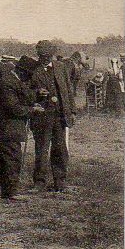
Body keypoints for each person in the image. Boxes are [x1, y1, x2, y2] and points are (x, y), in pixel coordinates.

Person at [0, 56, 41, 200]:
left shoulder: (15, 80)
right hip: (7, 126)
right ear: (23, 72)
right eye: (29, 75)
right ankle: (10, 192)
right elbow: (14, 108)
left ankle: (10, 190)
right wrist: (32, 110)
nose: (30, 79)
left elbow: (25, 95)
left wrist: (36, 96)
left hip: (10, 126)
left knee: (13, 157)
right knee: (11, 158)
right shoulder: (7, 83)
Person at [30, 40, 76, 192]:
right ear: (38, 55)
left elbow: (69, 90)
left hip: (60, 116)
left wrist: (72, 111)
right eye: (43, 55)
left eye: (49, 55)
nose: (46, 58)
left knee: (60, 149)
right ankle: (39, 182)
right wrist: (36, 93)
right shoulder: (32, 69)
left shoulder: (61, 67)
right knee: (41, 149)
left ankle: (60, 182)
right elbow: (24, 91)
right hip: (42, 116)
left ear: (53, 54)